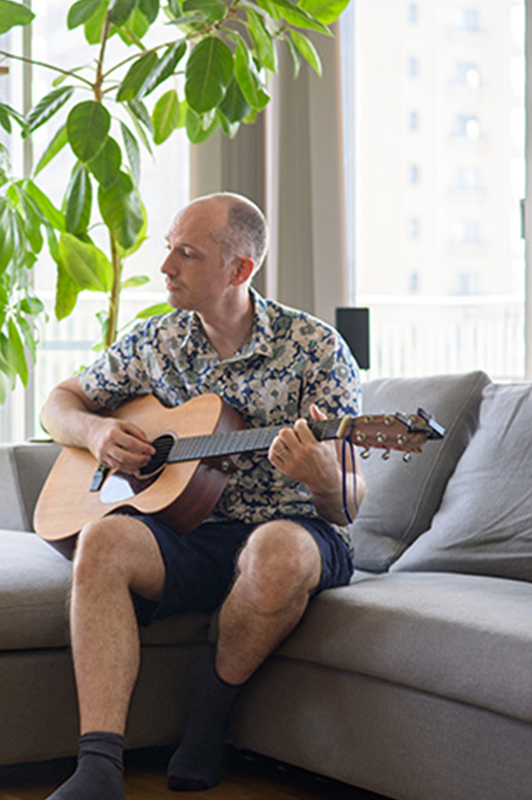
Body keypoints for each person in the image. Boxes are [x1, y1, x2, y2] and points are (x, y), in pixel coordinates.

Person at [38, 192, 365, 799]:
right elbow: (58, 403)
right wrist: (97, 430)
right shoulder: (156, 341)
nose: (166, 267)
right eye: (169, 249)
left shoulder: (316, 350)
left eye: (186, 254)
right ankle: (99, 768)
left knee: (275, 553)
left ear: (239, 270)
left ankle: (208, 724)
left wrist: (320, 474)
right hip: (188, 531)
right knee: (103, 539)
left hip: (291, 528)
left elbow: (348, 503)